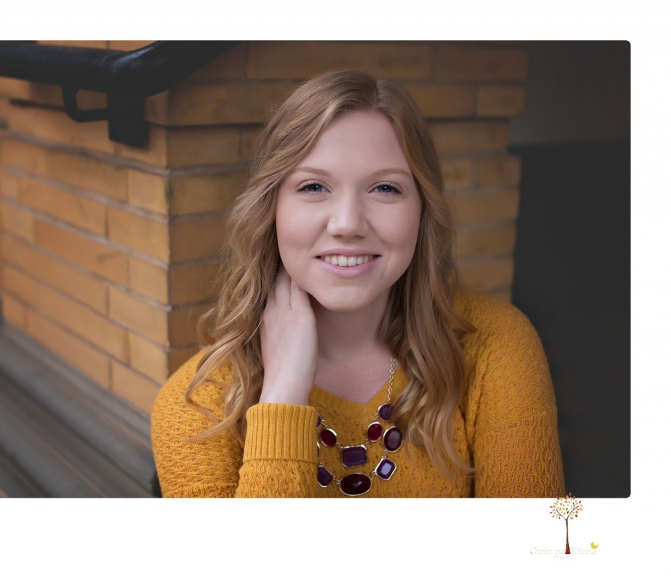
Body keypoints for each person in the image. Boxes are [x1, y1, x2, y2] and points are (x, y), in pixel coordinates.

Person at [151, 70, 565, 498]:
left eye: (385, 188)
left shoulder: (496, 343)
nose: (348, 224)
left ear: (423, 211)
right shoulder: (195, 408)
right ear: (270, 209)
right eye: (314, 186)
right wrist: (282, 395)